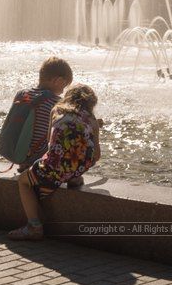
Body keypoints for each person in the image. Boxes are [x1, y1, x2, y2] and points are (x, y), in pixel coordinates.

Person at [8, 84, 102, 241]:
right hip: (80, 165)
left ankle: (34, 226)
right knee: (80, 155)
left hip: (56, 167)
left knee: (24, 181)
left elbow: (50, 144)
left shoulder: (57, 110)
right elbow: (97, 155)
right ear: (91, 103)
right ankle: (74, 177)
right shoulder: (92, 119)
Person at [0, 57, 74, 174]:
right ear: (57, 80)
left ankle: (24, 163)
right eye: (64, 85)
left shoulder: (22, 94)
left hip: (11, 149)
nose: (63, 91)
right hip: (35, 156)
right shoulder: (55, 102)